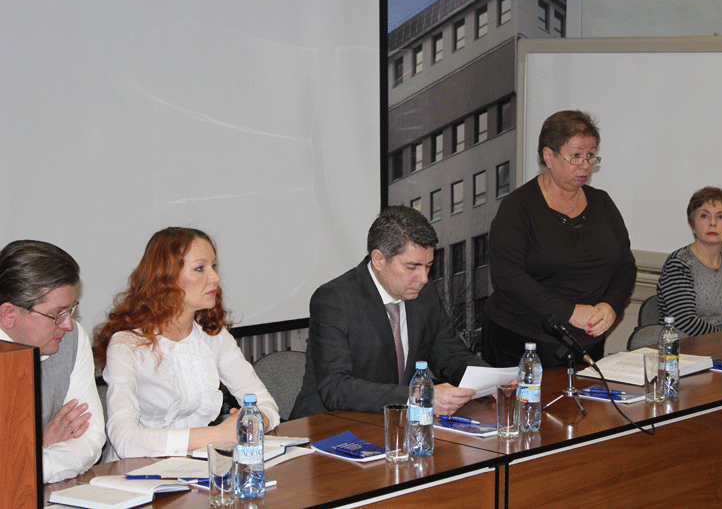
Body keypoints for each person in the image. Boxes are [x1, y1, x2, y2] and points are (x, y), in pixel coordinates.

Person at [93, 227, 279, 459]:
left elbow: (265, 403)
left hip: (197, 464)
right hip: (139, 471)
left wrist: (252, 422)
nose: (215, 277)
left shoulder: (214, 335)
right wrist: (218, 434)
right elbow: (124, 440)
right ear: (166, 278)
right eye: (200, 268)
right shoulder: (126, 344)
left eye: (213, 266)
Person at [291, 206, 489, 419]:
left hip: (396, 422)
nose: (423, 278)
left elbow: (452, 356)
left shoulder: (425, 294)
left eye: (428, 266)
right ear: (379, 259)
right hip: (329, 424)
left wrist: (495, 380)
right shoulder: (335, 300)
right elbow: (336, 387)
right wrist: (416, 396)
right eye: (412, 267)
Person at [483, 110, 637, 368]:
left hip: (587, 339)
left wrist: (611, 306)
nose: (585, 165)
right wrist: (569, 312)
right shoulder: (518, 207)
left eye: (590, 155)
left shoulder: (602, 203)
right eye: (575, 156)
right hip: (523, 341)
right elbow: (507, 276)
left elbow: (625, 265)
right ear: (549, 156)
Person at [0, 240, 104, 483]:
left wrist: (32, 461)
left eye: (70, 310)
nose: (68, 324)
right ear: (8, 315)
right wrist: (43, 445)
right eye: (57, 314)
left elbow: (90, 438)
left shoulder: (71, 339)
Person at [657, 187, 722, 335]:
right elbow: (685, 322)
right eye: (704, 216)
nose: (712, 223)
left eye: (721, 217)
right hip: (686, 345)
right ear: (693, 225)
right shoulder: (679, 264)